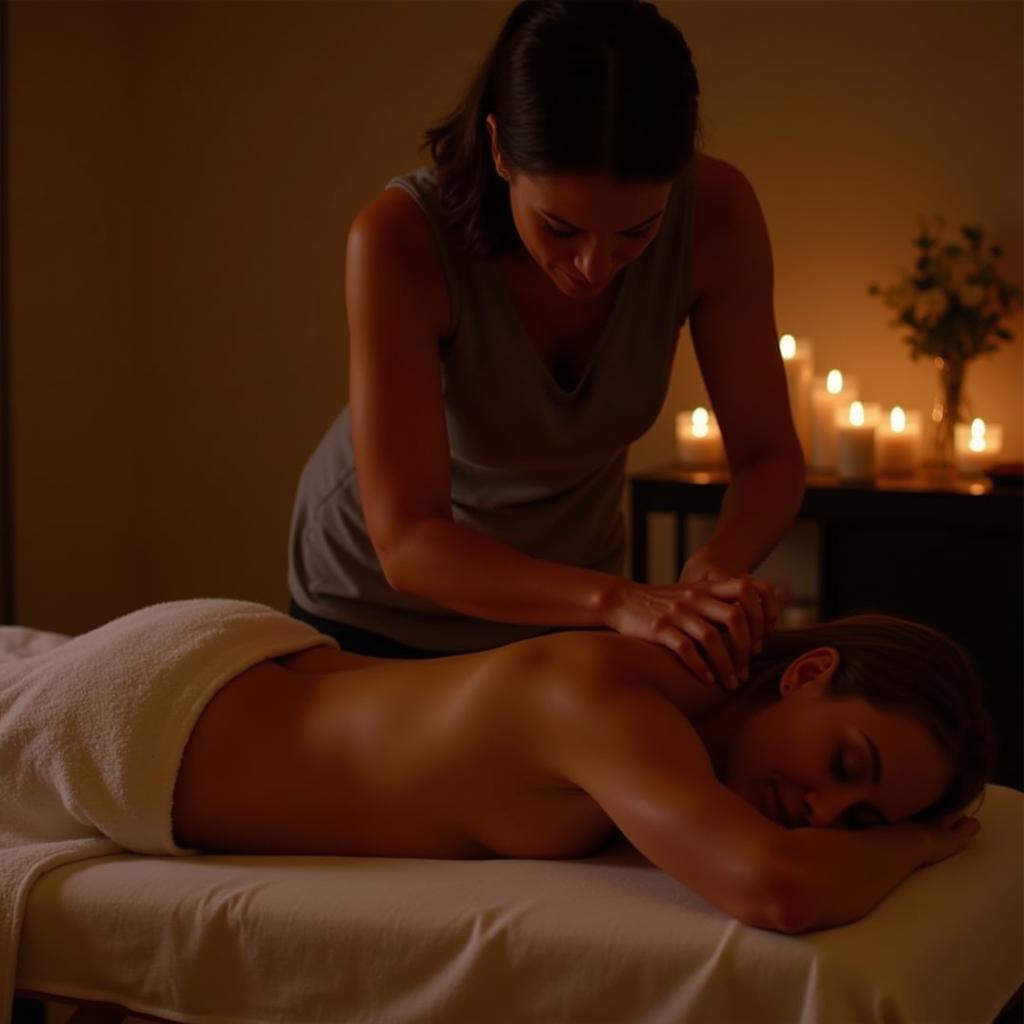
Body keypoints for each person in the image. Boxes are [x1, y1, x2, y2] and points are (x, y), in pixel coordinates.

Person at [287, 0, 804, 681]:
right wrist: (617, 600)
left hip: (572, 607)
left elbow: (769, 458)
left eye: (636, 233)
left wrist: (712, 573)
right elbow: (409, 542)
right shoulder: (401, 240)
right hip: (373, 608)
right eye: (561, 229)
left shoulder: (717, 215)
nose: (595, 266)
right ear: (501, 149)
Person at [173, 611, 994, 934]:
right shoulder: (611, 701)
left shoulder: (684, 744)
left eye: (858, 820)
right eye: (847, 764)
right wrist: (914, 843)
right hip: (173, 720)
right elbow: (775, 887)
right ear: (809, 672)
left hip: (261, 684)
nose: (823, 813)